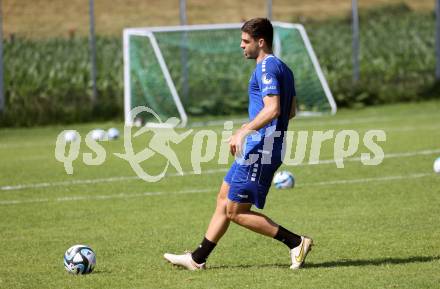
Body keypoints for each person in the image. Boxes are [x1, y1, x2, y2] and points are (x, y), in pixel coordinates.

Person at [164, 18, 313, 270]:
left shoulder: (265, 68)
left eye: (246, 41)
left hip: (260, 149)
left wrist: (245, 131)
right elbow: (292, 111)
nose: (241, 46)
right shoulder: (284, 68)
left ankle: (296, 242)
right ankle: (196, 259)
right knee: (224, 199)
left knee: (235, 211)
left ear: (260, 41)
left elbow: (274, 108)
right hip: (263, 146)